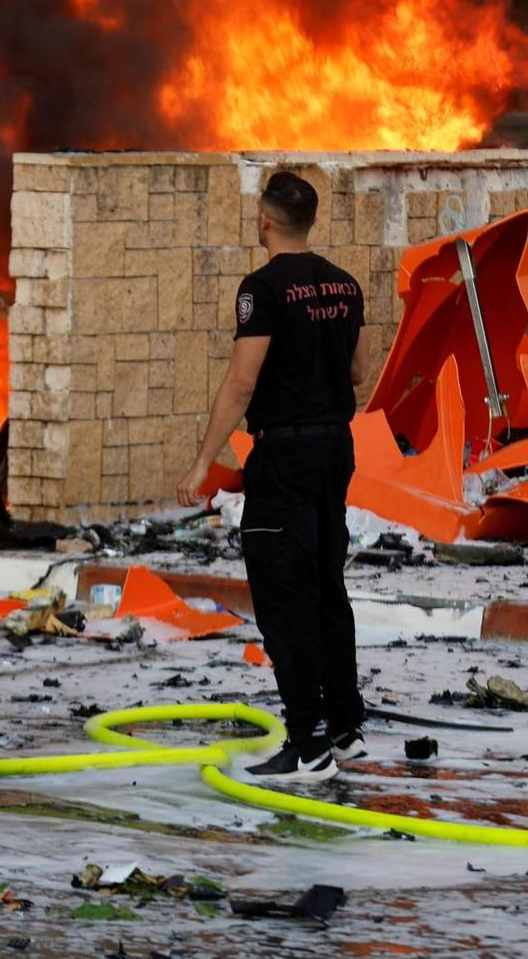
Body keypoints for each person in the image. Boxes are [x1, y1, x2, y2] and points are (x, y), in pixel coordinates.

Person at [175, 170, 369, 784]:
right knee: (326, 588)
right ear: (310, 221)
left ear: (264, 220)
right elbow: (360, 370)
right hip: (335, 449)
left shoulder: (261, 290)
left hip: (284, 458)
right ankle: (344, 727)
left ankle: (307, 744)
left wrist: (204, 461)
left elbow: (241, 382)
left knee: (285, 599)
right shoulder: (345, 283)